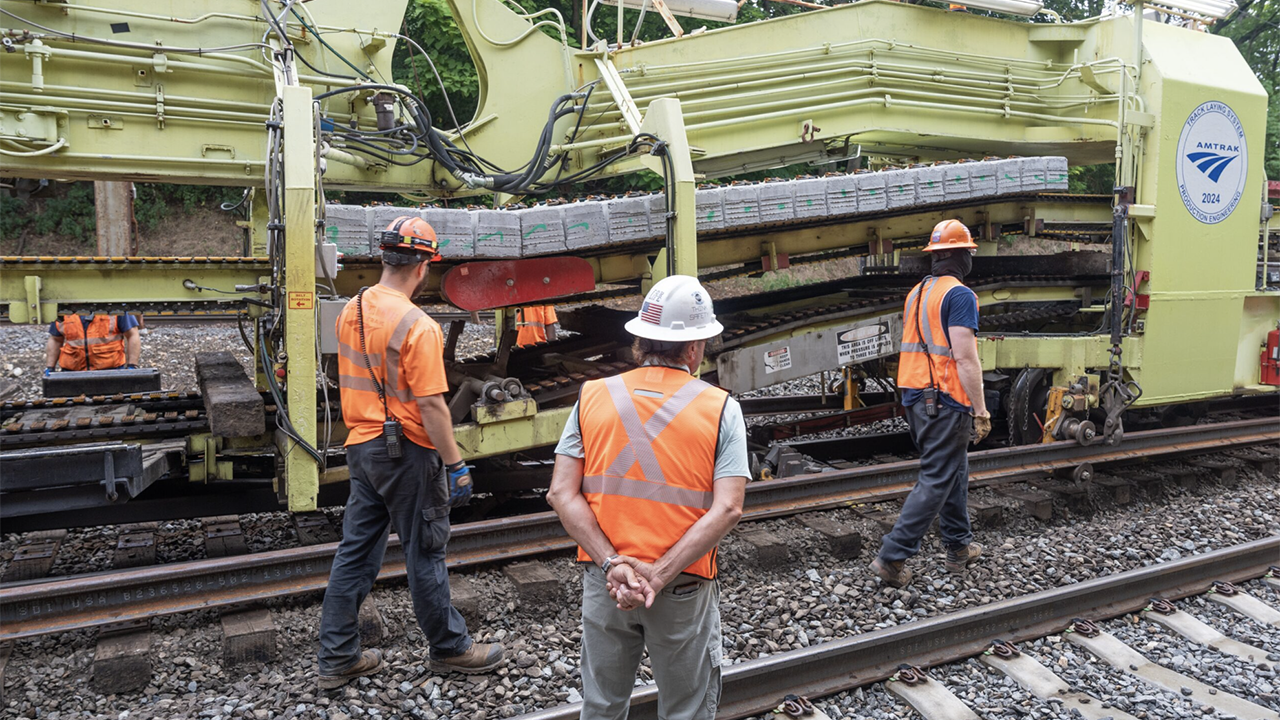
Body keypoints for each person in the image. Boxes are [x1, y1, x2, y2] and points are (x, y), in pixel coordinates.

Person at [547, 275, 748, 720]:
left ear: (640, 340)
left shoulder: (592, 396)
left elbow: (561, 493)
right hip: (679, 586)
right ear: (694, 348)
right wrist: (655, 575)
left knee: (601, 705)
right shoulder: (720, 408)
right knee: (686, 709)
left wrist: (612, 563)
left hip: (607, 582)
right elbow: (729, 507)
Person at [319, 216, 506, 689]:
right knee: (426, 552)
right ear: (423, 266)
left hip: (362, 447)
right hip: (407, 454)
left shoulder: (350, 310)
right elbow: (431, 406)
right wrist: (456, 463)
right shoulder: (418, 326)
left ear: (386, 258)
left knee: (356, 555)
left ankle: (338, 656)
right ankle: (450, 649)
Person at [871, 219, 991, 589]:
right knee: (938, 476)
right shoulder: (959, 295)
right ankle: (892, 557)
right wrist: (981, 409)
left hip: (916, 397)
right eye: (969, 252)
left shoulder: (918, 292)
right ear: (960, 256)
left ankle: (958, 547)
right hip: (945, 398)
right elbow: (965, 358)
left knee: (953, 469)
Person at [45, 313, 141, 373]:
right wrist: (50, 367)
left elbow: (132, 334)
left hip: (110, 371)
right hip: (72, 372)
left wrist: (132, 365)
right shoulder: (63, 310)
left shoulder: (115, 307)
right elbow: (55, 339)